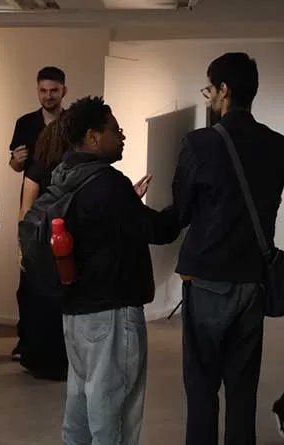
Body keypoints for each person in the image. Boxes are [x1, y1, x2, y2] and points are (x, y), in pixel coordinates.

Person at [172, 52, 284, 445]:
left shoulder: (199, 144)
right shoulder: (277, 145)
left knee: (202, 387)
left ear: (224, 90)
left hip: (206, 280)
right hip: (253, 280)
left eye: (210, 89)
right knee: (242, 389)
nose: (210, 97)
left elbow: (181, 211)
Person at [58, 96, 178, 445]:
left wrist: (128, 202)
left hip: (76, 315)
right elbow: (157, 230)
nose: (121, 135)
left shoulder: (65, 175)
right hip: (111, 315)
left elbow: (99, 225)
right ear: (93, 137)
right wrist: (185, 203)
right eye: (115, 130)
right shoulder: (108, 183)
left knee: (80, 413)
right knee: (115, 418)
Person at [9, 66, 67, 361]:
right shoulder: (26, 123)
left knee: (61, 276)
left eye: (53, 90)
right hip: (34, 204)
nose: (48, 96)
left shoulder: (72, 123)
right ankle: (27, 340)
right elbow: (16, 166)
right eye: (43, 91)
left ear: (63, 90)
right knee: (29, 279)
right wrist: (16, 161)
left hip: (64, 206)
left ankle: (58, 342)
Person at [15, 113, 71, 381]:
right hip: (61, 241)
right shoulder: (70, 170)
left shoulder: (37, 167)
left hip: (39, 243)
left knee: (38, 304)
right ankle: (58, 361)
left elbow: (25, 211)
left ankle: (37, 358)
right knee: (58, 303)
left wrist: (22, 248)